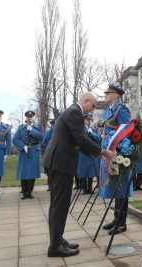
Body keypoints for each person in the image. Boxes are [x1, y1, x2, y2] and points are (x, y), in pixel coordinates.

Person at [43, 91, 113, 257]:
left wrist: (93, 155)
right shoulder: (75, 111)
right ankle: (54, 246)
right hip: (60, 163)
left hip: (58, 162)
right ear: (86, 101)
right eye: (93, 106)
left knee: (57, 204)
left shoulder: (72, 111)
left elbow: (76, 140)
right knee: (60, 205)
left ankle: (57, 240)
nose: (92, 110)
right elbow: (81, 139)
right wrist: (103, 153)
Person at [100, 84, 133, 235]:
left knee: (121, 187)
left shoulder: (122, 109)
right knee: (115, 187)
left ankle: (122, 222)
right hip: (109, 153)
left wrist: (120, 152)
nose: (105, 95)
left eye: (108, 93)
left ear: (115, 95)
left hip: (119, 154)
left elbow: (126, 131)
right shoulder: (109, 111)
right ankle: (116, 218)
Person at [13, 110, 44, 199]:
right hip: (24, 151)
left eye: (31, 116)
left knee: (32, 172)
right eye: (28, 117)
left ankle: (29, 192)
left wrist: (32, 131)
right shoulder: (21, 128)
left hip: (34, 150)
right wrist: (23, 146)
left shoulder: (39, 127)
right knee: (23, 172)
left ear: (34, 117)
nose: (29, 118)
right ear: (26, 118)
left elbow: (42, 137)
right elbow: (15, 139)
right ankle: (24, 192)